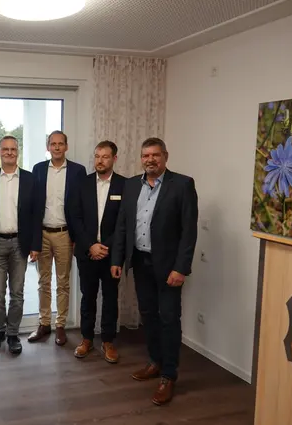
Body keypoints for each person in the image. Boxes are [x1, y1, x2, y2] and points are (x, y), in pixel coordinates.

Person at [111, 137, 198, 406]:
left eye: (155, 155)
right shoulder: (131, 185)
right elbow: (123, 225)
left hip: (169, 267)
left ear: (165, 157)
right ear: (141, 158)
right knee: (148, 315)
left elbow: (189, 231)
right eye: (146, 155)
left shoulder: (182, 185)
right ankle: (155, 362)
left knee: (169, 318)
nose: (150, 160)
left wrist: (181, 268)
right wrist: (117, 259)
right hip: (140, 262)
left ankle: (169, 376)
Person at [0, 136, 41, 355]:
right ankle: (0, 329)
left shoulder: (30, 179)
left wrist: (35, 244)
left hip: (20, 243)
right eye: (5, 149)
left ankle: (13, 333)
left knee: (17, 292)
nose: (9, 152)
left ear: (18, 152)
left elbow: (36, 213)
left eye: (13, 149)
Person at [69, 141, 126, 362]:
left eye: (105, 156)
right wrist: (91, 245)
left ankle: (108, 341)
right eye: (97, 156)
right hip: (87, 252)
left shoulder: (124, 185)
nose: (100, 161)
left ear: (114, 159)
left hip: (112, 255)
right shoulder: (81, 183)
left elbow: (124, 222)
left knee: (110, 298)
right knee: (88, 297)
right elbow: (75, 218)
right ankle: (86, 339)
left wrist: (105, 247)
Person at [29, 130, 86, 346]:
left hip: (65, 234)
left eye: (61, 143)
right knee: (43, 281)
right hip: (43, 233)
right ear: (48, 147)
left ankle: (60, 325)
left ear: (66, 146)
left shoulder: (78, 171)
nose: (57, 147)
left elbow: (81, 205)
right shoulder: (38, 169)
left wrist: (78, 236)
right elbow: (34, 206)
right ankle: (44, 323)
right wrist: (33, 240)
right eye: (53, 144)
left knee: (63, 282)